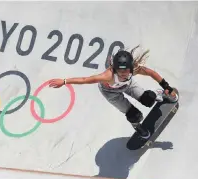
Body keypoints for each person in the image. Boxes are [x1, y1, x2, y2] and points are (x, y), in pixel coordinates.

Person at [48, 45, 178, 139]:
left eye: (126, 71)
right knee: (134, 115)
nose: (123, 74)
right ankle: (136, 125)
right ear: (114, 69)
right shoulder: (107, 76)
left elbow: (152, 73)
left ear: (130, 68)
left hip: (128, 86)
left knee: (149, 99)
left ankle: (160, 93)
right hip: (111, 93)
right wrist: (64, 81)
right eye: (119, 71)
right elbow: (85, 79)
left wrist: (167, 86)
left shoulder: (134, 69)